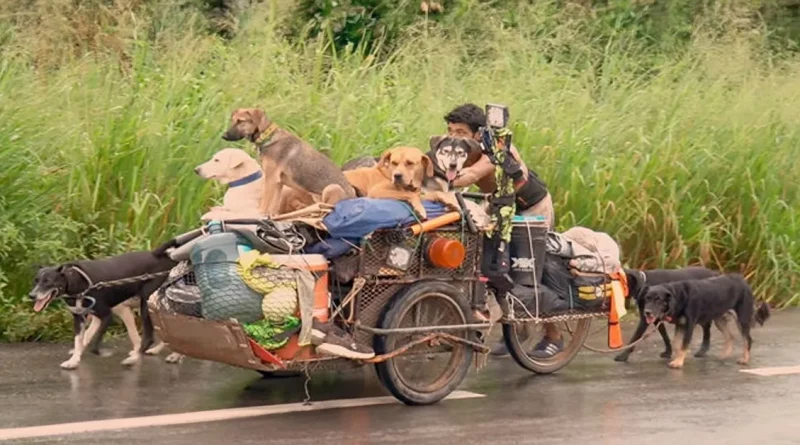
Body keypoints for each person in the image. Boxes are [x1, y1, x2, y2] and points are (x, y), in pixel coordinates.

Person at [443, 103, 560, 359]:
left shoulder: (496, 146)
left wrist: (444, 179)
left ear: (477, 133)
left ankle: (554, 335)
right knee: (491, 268)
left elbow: (471, 175)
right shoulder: (454, 150)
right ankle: (516, 331)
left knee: (528, 273)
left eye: (461, 132)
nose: (453, 137)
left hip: (530, 208)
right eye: (450, 130)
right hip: (498, 204)